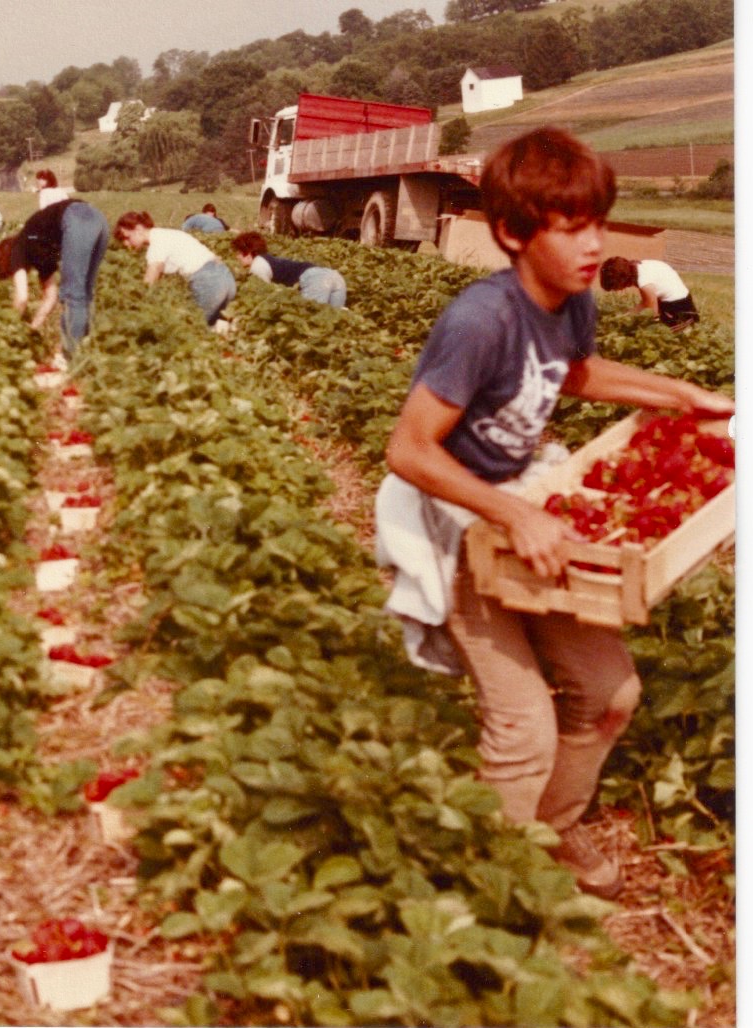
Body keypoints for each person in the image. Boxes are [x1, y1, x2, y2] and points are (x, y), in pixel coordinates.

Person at [374, 127, 732, 900]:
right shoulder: (481, 319)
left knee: (610, 697)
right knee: (524, 727)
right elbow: (409, 450)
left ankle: (550, 827)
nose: (592, 245)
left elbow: (573, 374)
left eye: (598, 224)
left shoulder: (568, 302)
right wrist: (512, 513)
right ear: (512, 232)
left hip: (523, 510)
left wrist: (679, 394)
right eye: (571, 229)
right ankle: (488, 894)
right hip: (461, 523)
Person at [0, 197, 110, 359]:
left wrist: (12, 328)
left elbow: (22, 297)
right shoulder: (37, 248)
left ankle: (68, 358)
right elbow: (50, 298)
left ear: (5, 262)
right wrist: (32, 328)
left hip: (76, 218)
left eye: (9, 273)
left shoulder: (18, 247)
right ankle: (83, 352)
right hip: (98, 219)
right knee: (85, 293)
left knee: (73, 295)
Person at [114, 211, 236, 333]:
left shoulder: (157, 242)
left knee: (193, 330)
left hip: (209, 283)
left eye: (126, 237)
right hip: (226, 278)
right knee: (219, 328)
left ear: (138, 229)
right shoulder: (168, 234)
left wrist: (138, 303)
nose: (126, 243)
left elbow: (153, 272)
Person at [231, 231, 347, 308]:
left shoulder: (258, 265)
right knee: (334, 319)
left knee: (313, 321)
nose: (237, 257)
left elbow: (263, 297)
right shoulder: (268, 260)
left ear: (248, 253)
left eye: (239, 253)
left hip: (317, 280)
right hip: (334, 276)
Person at [599, 256, 698, 330]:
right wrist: (627, 314)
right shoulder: (640, 266)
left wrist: (649, 328)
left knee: (665, 333)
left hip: (678, 308)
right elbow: (647, 302)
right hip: (682, 299)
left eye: (616, 287)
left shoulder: (644, 282)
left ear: (622, 280)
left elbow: (652, 312)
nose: (618, 291)